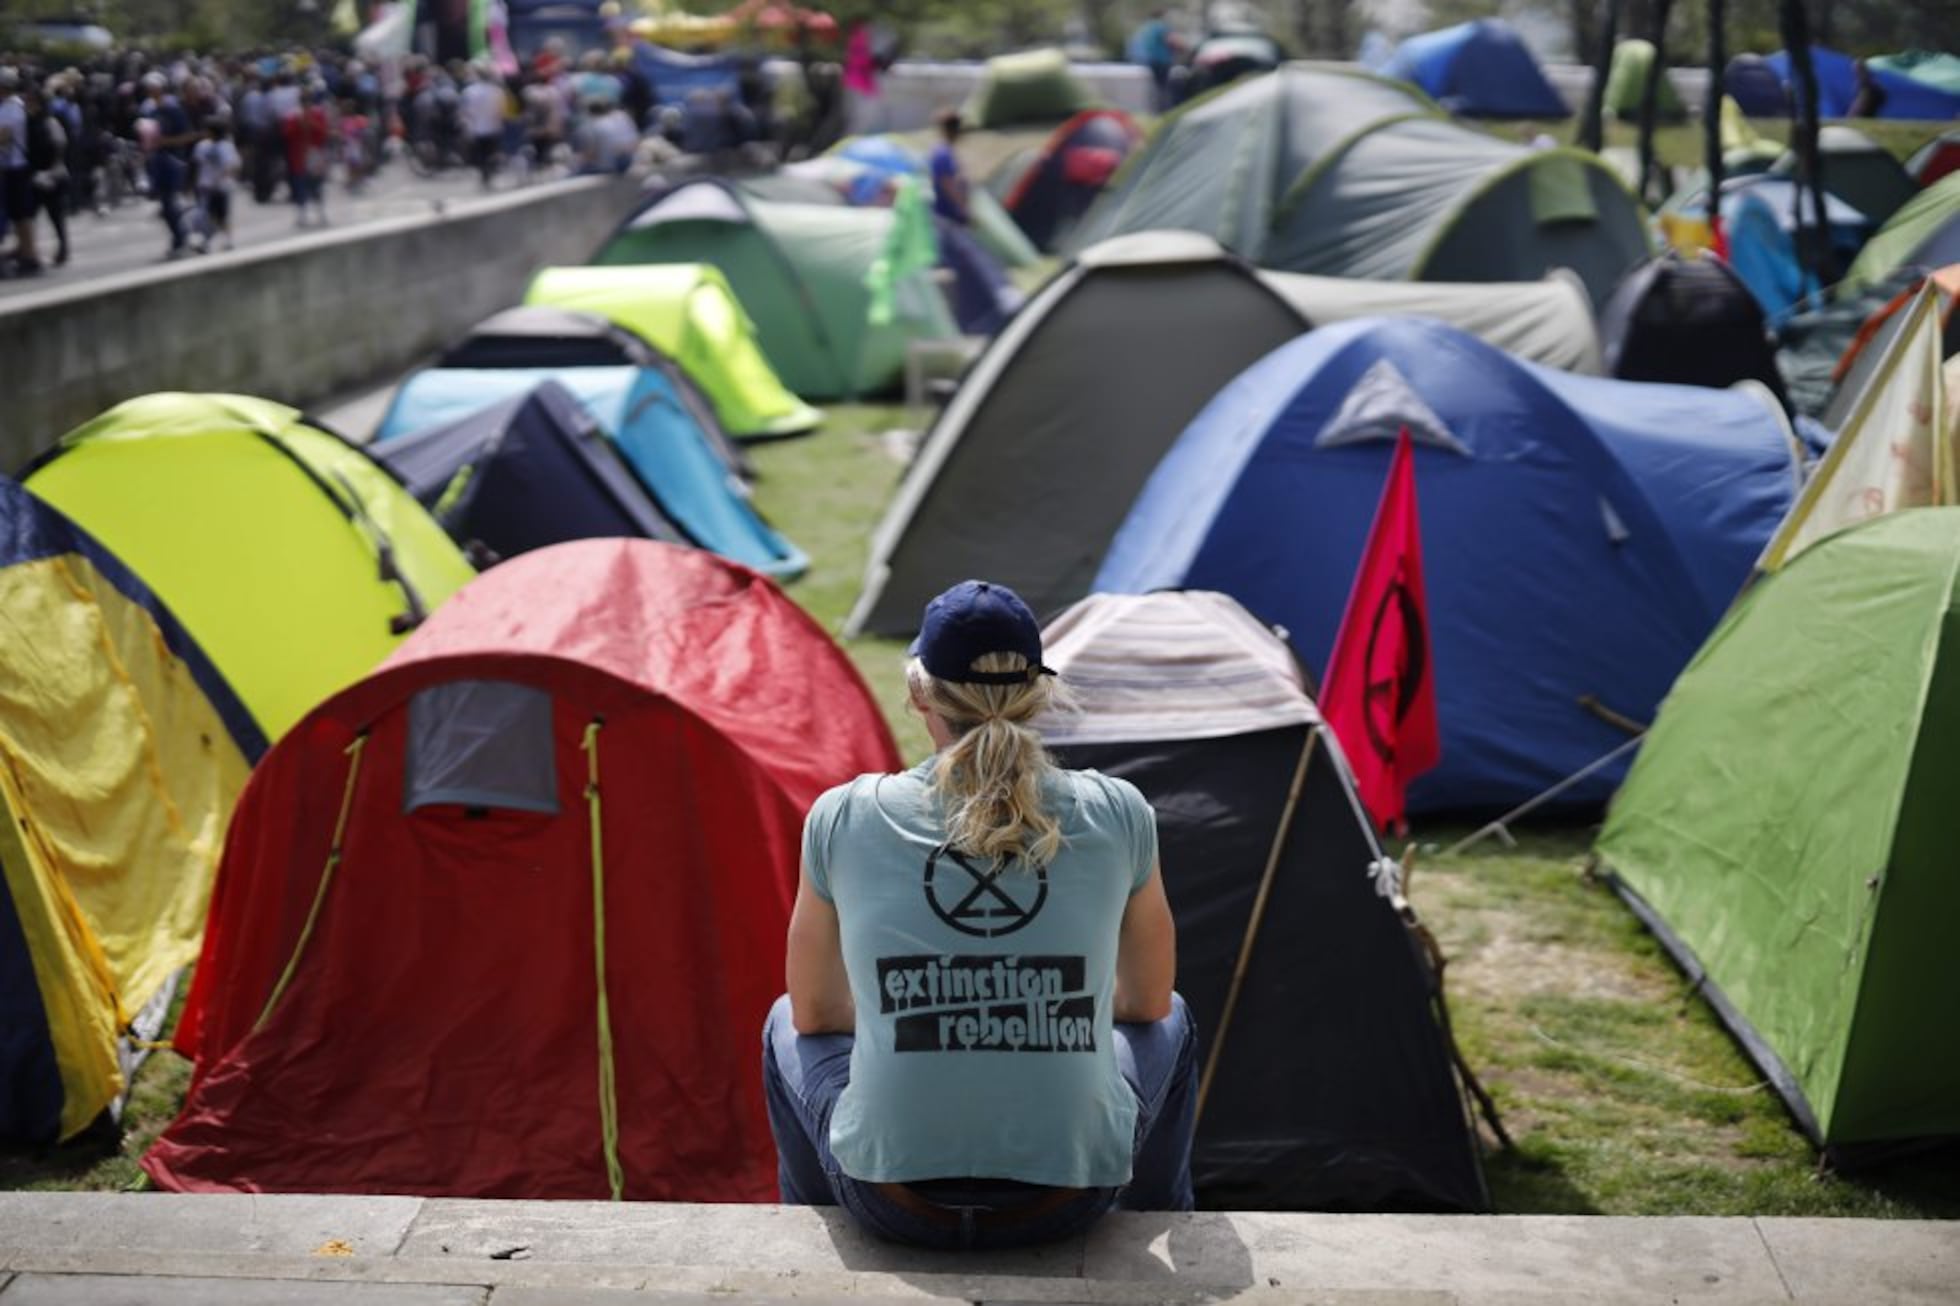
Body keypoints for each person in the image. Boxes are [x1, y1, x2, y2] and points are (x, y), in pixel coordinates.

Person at [764, 580, 1196, 1251]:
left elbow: (814, 1012)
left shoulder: (844, 815)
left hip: (894, 1202)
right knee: (1176, 1018)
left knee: (783, 1022)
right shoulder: (1119, 811)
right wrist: (1037, 1003)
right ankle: (1157, 1224)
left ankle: (815, 1242)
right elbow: (1146, 1001)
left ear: (919, 693)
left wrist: (917, 1010)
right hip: (1067, 1202)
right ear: (1039, 693)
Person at [1, 68, 41, 273]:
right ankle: (25, 251)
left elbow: (3, 136)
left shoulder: (12, 108)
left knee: (21, 215)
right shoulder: (11, 106)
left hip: (16, 166)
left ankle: (30, 254)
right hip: (11, 166)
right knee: (18, 216)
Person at [191, 117, 239, 250]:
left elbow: (232, 165)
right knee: (206, 216)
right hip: (206, 187)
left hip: (221, 187)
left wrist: (220, 179)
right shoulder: (202, 146)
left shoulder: (225, 147)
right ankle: (206, 242)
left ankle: (227, 240)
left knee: (221, 216)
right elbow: (198, 165)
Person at [458, 65, 506, 188]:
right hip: (493, 127)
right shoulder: (498, 91)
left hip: (476, 128)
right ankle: (488, 174)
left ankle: (484, 174)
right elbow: (501, 111)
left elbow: (465, 111)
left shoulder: (469, 91)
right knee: (490, 153)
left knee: (480, 154)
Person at [928, 109, 969, 226]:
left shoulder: (945, 151)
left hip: (949, 212)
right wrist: (962, 207)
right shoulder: (942, 153)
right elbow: (946, 182)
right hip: (947, 214)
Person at [1130, 10, 1177, 112]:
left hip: (1151, 60)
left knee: (1156, 86)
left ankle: (1155, 109)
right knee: (1163, 87)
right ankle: (1164, 109)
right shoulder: (1161, 26)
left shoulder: (1146, 27)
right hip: (1162, 60)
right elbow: (1171, 40)